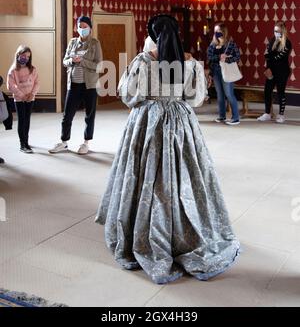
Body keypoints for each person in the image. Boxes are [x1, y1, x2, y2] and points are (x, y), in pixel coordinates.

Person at [95, 14, 240, 284]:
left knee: (145, 175)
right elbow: (196, 98)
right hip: (180, 121)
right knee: (185, 174)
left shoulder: (142, 61)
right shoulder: (189, 62)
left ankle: (143, 228)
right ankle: (187, 230)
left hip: (147, 122)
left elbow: (127, 94)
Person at [49, 16, 102, 155]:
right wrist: (72, 60)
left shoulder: (95, 43)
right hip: (73, 84)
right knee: (67, 115)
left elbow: (99, 66)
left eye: (85, 26)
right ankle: (64, 142)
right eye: (80, 26)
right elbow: (65, 61)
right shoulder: (72, 42)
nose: (82, 29)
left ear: (90, 28)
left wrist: (82, 61)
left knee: (89, 115)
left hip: (89, 85)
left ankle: (86, 143)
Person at [7, 46, 39, 153]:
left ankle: (26, 141)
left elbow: (37, 83)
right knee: (22, 120)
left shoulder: (32, 69)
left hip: (30, 99)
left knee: (27, 120)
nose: (26, 58)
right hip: (19, 99)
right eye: (24, 55)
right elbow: (11, 86)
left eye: (28, 56)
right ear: (18, 55)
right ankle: (22, 145)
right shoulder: (13, 70)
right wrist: (21, 95)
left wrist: (32, 94)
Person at [257, 21, 292, 124]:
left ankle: (281, 115)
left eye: (278, 31)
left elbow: (279, 57)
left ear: (283, 31)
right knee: (267, 91)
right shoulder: (272, 40)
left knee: (281, 92)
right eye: (274, 31)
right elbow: (266, 54)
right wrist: (268, 69)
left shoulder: (287, 43)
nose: (276, 33)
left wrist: (269, 57)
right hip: (271, 70)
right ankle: (267, 113)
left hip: (282, 71)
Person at [207, 23, 241, 125]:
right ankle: (222, 116)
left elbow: (237, 57)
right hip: (216, 72)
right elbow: (210, 58)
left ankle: (235, 118)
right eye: (215, 31)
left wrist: (227, 59)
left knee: (229, 94)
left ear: (224, 32)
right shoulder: (212, 45)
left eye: (218, 31)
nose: (216, 33)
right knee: (220, 95)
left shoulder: (230, 44)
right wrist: (218, 57)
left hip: (227, 71)